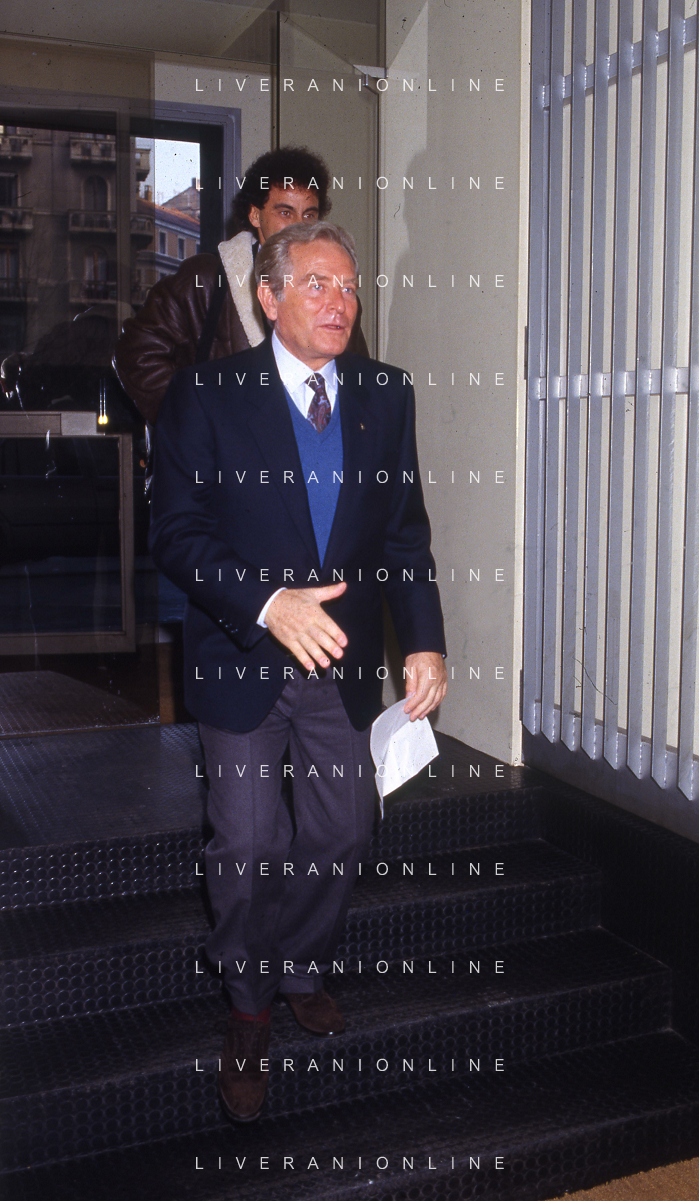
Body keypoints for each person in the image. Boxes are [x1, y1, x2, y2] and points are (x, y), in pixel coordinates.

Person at [148, 220, 447, 1123]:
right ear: (268, 296)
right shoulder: (205, 395)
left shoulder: (385, 394)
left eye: (349, 286)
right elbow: (177, 534)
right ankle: (248, 1007)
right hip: (241, 654)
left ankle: (302, 965)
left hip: (340, 661)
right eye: (317, 283)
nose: (339, 301)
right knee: (246, 846)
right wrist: (269, 602)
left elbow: (403, 535)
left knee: (344, 829)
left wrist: (424, 641)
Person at [113, 146, 366, 426]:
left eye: (309, 215)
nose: (299, 227)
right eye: (285, 212)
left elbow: (356, 381)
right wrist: (197, 425)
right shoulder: (206, 279)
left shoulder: (339, 296)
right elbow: (135, 355)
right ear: (255, 215)